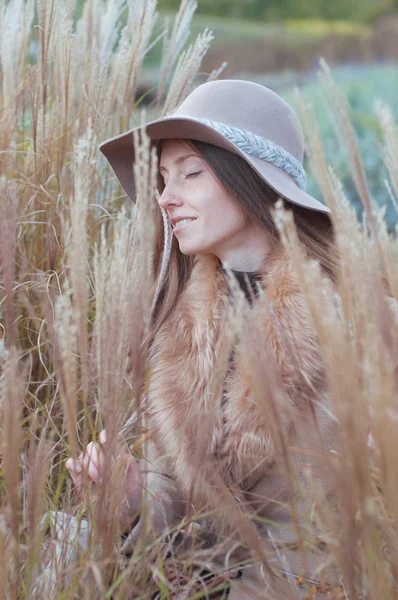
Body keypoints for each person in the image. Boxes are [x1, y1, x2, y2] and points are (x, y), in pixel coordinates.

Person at [67, 80, 343, 598]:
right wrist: (130, 499)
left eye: (191, 173)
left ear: (254, 181)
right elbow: (180, 489)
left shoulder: (360, 331)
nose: (166, 197)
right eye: (164, 178)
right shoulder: (178, 326)